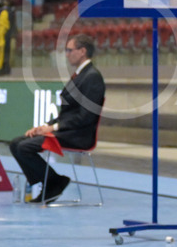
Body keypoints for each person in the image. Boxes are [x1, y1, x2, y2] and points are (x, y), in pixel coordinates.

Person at [8, 34, 105, 204]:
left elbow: (86, 116)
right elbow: (66, 113)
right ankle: (51, 182)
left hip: (78, 135)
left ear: (82, 51)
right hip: (67, 130)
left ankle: (55, 183)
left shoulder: (92, 78)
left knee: (25, 147)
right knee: (16, 144)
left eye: (69, 50)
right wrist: (45, 126)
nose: (66, 54)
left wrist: (54, 128)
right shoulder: (78, 75)